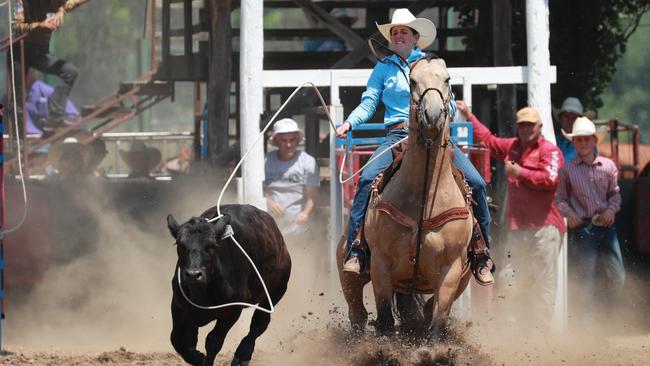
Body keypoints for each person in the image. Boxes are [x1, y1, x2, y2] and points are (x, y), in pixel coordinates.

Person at [335, 9, 494, 285]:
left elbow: (450, 104)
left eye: (404, 32)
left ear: (416, 38)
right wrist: (350, 122)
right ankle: (357, 248)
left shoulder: (433, 68)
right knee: (367, 179)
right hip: (395, 135)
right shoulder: (383, 68)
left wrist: (439, 118)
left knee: (477, 184)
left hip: (435, 136)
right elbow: (370, 102)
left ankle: (481, 253)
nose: (398, 36)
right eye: (395, 32)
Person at [460, 103, 566, 331]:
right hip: (520, 229)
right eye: (522, 125)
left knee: (542, 284)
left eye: (530, 125)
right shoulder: (513, 147)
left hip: (545, 228)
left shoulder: (550, 151)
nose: (526, 129)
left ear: (539, 127)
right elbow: (488, 140)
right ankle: (510, 332)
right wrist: (470, 115)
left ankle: (540, 335)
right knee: (510, 281)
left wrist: (520, 172)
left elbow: (551, 179)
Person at [555, 116, 625, 330]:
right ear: (573, 143)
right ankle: (587, 328)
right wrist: (570, 214)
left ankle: (605, 318)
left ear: (594, 141)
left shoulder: (608, 167)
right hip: (583, 227)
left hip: (606, 226)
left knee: (616, 276)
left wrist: (612, 210)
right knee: (586, 279)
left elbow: (615, 195)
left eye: (586, 139)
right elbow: (560, 199)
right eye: (579, 140)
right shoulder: (567, 170)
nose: (583, 143)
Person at [12, 0, 87, 132]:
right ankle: (18, 142)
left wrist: (62, 11)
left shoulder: (58, 2)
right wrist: (40, 25)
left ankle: (54, 117)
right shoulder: (23, 2)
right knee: (17, 100)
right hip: (20, 51)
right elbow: (16, 27)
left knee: (70, 72)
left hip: (40, 52)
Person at [264, 118, 320, 237]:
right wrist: (268, 202)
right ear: (276, 141)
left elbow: (313, 197)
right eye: (284, 141)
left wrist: (305, 213)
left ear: (297, 141)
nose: (289, 145)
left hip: (301, 227)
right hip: (270, 227)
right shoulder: (265, 161)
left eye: (292, 140)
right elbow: (257, 191)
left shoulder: (308, 162)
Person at [555, 97, 584, 162]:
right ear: (560, 119)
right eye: (566, 116)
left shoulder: (586, 143)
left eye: (574, 117)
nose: (569, 121)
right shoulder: (552, 140)